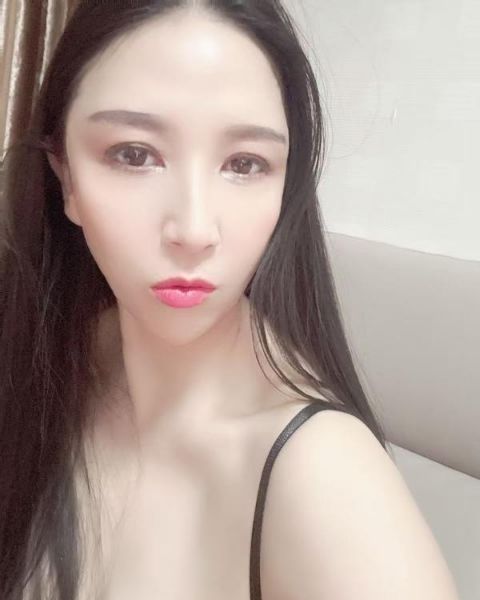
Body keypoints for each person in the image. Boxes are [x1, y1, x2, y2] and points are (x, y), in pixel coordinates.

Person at [0, 1, 460, 599]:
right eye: (134, 154)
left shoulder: (326, 482)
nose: (194, 230)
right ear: (66, 179)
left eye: (245, 164)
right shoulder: (50, 358)